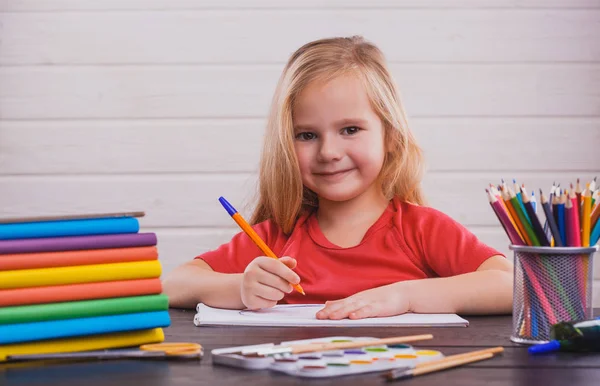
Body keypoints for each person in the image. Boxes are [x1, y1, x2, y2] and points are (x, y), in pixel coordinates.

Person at [163, 36, 513, 319]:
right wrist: (240, 289)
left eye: (350, 129)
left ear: (390, 136)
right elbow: (171, 285)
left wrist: (406, 295)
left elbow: (514, 285)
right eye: (306, 135)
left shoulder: (421, 230)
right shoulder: (275, 237)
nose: (328, 151)